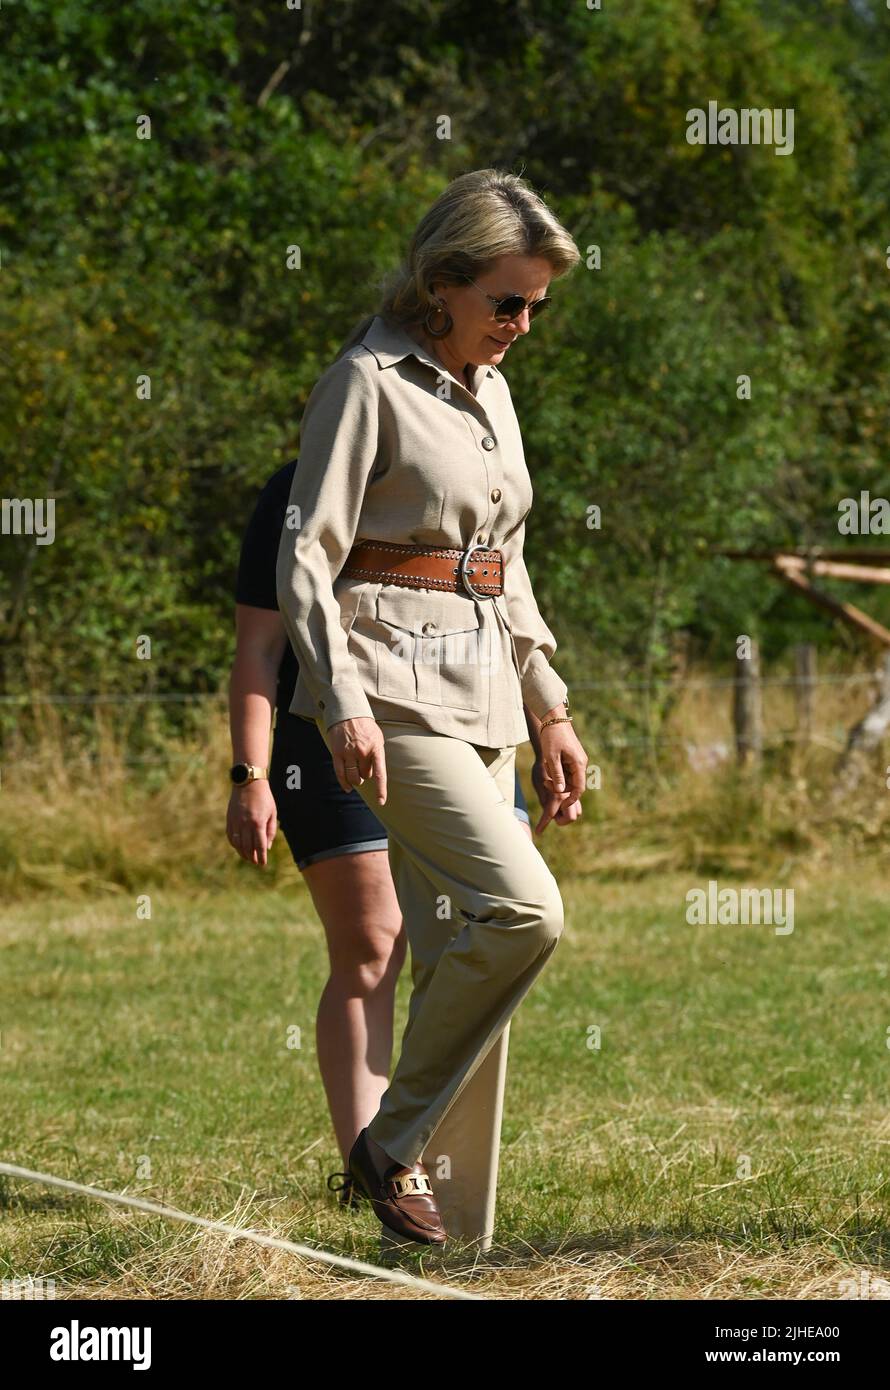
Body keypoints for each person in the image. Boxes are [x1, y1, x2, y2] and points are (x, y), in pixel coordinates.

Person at [276, 167, 589, 1247]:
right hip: (389, 691)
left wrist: (549, 705)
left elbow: (500, 559)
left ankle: (451, 1238)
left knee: (461, 940)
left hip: (489, 691)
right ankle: (386, 1144)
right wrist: (343, 700)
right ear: (442, 280)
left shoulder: (490, 387)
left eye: (536, 305)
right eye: (507, 300)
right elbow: (306, 555)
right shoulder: (363, 380)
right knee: (524, 913)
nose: (522, 324)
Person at [227, 457, 577, 1250]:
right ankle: (379, 1166)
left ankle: (437, 1184)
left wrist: (544, 715)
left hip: (463, 719)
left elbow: (503, 600)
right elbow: (258, 648)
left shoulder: (464, 479)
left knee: (479, 934)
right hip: (328, 730)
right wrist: (251, 775)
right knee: (374, 942)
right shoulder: (294, 492)